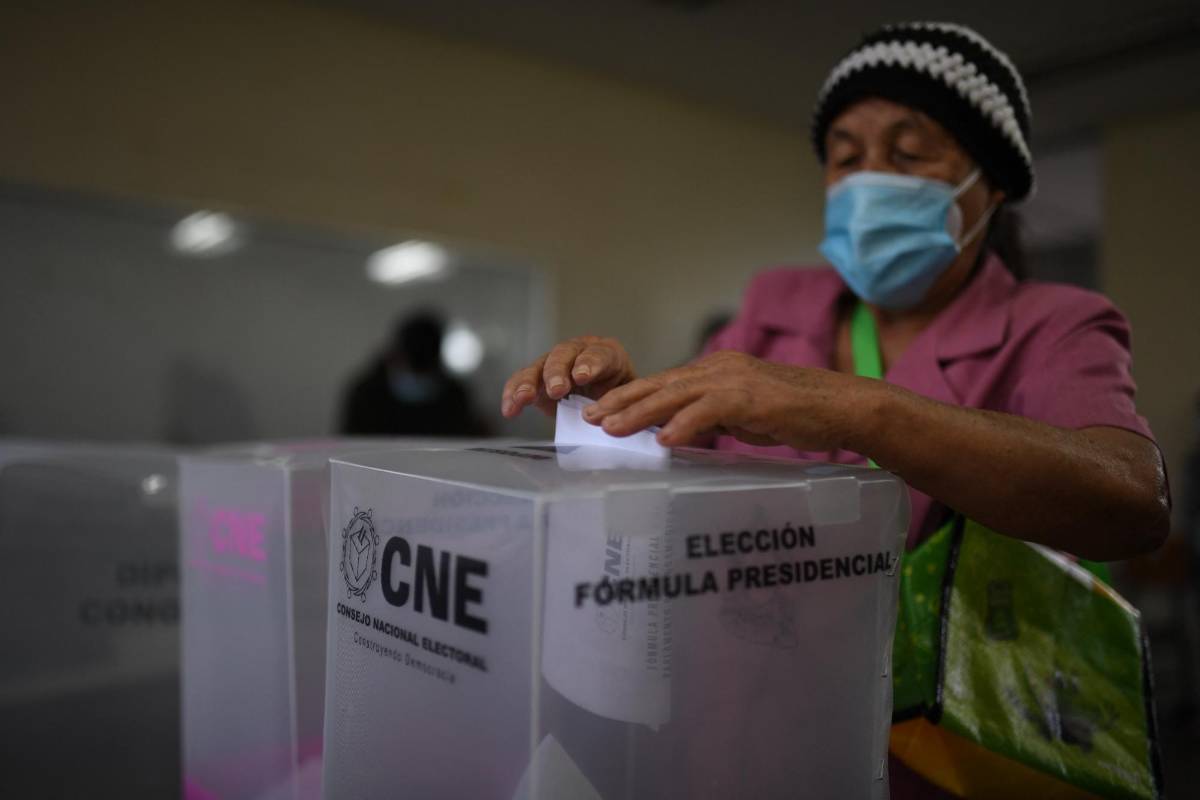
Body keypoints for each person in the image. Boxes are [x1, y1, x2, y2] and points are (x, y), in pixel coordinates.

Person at [500, 21, 1169, 796]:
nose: (869, 178)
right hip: (737, 736)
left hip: (931, 759)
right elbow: (682, 469)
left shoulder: (1057, 325)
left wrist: (857, 409)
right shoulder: (777, 307)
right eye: (846, 157)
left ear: (993, 183)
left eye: (910, 152)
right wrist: (617, 409)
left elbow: (1132, 499)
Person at [341, 310, 488, 437]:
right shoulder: (366, 395)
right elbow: (349, 444)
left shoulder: (455, 395)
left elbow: (464, 441)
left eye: (424, 367)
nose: (417, 377)